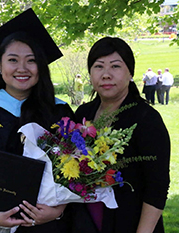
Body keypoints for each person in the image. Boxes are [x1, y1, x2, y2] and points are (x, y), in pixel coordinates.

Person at [0, 8, 74, 233]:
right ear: (0, 66)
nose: (22, 68)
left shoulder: (59, 112)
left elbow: (77, 170)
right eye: (12, 60)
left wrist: (59, 210)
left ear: (41, 66)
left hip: (48, 225)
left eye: (31, 60)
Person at [69, 37, 170, 233]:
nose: (106, 75)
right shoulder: (83, 114)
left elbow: (157, 187)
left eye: (115, 66)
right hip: (86, 220)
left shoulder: (146, 119)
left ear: (130, 73)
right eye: (98, 67)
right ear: (90, 73)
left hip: (130, 222)